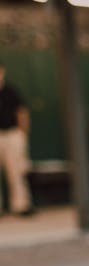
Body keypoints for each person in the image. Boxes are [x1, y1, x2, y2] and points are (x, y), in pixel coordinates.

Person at [0, 61, 34, 217]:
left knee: (17, 172)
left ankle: (21, 206)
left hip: (12, 134)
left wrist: (23, 134)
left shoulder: (11, 91)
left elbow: (22, 113)